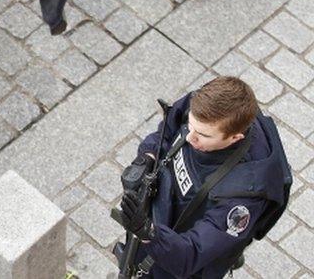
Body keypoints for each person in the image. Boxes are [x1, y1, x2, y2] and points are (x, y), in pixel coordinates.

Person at [116, 77, 291, 278]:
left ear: (235, 137)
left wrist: (148, 233)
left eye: (203, 135)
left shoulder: (243, 196)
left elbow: (191, 255)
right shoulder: (202, 109)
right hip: (157, 216)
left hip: (179, 259)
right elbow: (166, 130)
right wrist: (147, 157)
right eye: (190, 127)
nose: (190, 138)